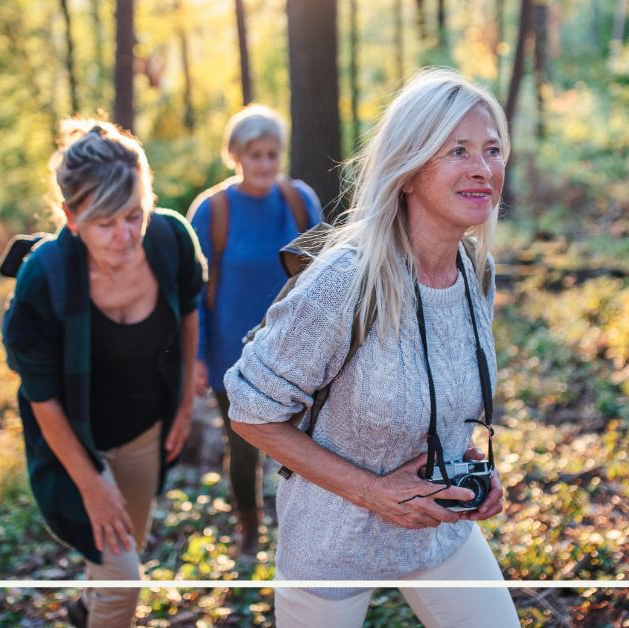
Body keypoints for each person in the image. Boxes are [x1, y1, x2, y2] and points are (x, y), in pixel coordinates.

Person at [223, 68, 520, 626]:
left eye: (493, 150)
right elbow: (248, 409)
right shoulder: (345, 281)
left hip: (438, 532)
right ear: (409, 170)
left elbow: (447, 394)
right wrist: (375, 492)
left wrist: (470, 466)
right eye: (457, 150)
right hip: (331, 545)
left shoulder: (476, 271)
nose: (483, 168)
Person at [1, 119, 206, 628]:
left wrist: (184, 405)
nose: (125, 235)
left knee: (122, 553)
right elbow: (41, 395)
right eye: (106, 222)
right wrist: (92, 484)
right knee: (123, 580)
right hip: (72, 440)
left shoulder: (170, 239)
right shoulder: (44, 277)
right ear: (72, 218)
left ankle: (83, 612)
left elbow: (188, 314)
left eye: (135, 215)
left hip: (144, 430)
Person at [187, 104, 322, 558]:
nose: (265, 164)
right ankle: (249, 527)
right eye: (255, 155)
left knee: (304, 447)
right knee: (245, 446)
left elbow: (325, 275)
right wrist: (197, 356)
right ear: (237, 156)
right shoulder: (212, 211)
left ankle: (301, 532)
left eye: (272, 154)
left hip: (297, 349)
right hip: (233, 353)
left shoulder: (299, 201)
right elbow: (194, 292)